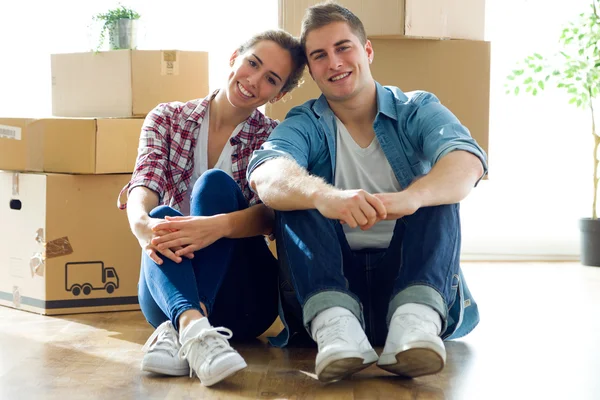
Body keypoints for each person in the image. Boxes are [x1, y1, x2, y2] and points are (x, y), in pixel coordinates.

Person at [247, 2, 488, 383]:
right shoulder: (304, 122)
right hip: (325, 289)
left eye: (344, 47)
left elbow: (467, 161)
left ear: (367, 51)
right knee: (300, 188)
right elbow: (266, 172)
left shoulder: (416, 108)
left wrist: (412, 198)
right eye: (320, 55)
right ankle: (336, 328)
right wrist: (325, 197)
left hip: (410, 282)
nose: (334, 63)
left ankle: (416, 326)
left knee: (436, 190)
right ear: (311, 70)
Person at [117, 30, 306, 387]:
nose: (253, 80)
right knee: (159, 217)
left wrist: (217, 227)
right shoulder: (167, 118)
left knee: (214, 185)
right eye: (252, 63)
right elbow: (146, 181)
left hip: (245, 300)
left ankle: (185, 326)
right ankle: (193, 327)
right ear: (235, 56)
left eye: (270, 79)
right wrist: (141, 225)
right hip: (170, 289)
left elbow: (272, 215)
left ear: (279, 94)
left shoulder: (275, 137)